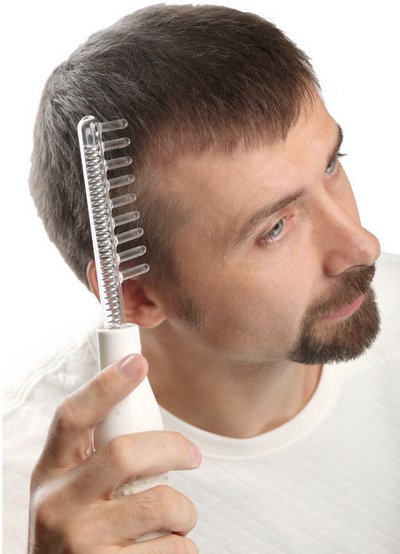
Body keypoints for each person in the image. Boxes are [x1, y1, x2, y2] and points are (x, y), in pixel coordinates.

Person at [3, 4, 400, 553]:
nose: (362, 246)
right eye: (275, 228)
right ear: (136, 295)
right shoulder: (24, 506)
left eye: (331, 165)